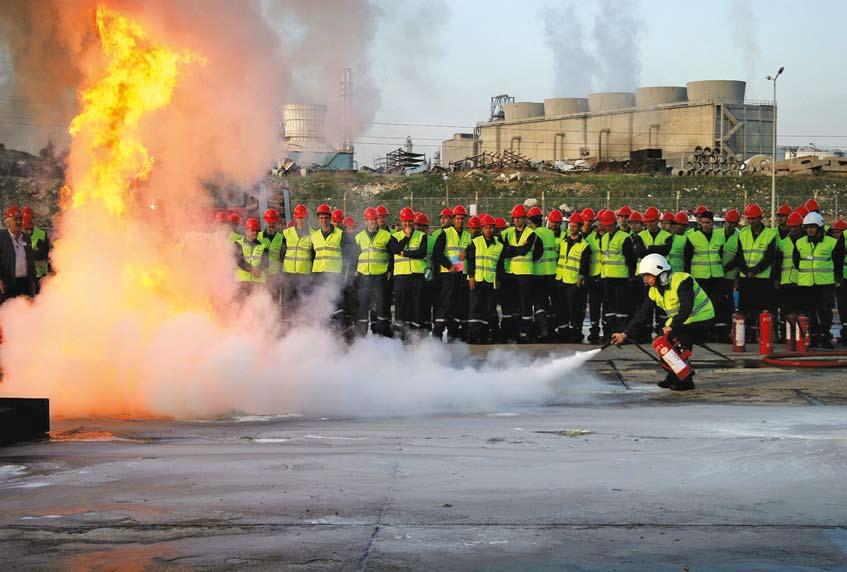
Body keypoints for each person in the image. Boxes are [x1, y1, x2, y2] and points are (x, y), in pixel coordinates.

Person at [611, 254, 715, 391]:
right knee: (661, 342)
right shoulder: (654, 291)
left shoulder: (683, 280)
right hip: (681, 321)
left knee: (677, 345)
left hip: (701, 318)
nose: (645, 280)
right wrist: (624, 334)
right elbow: (643, 314)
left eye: (647, 276)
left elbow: (686, 307)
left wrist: (672, 326)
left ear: (659, 273)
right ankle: (674, 375)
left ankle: (686, 380)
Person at [793, 212, 843, 348]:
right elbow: (796, 261)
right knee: (810, 311)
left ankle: (825, 336)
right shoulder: (799, 243)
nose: (809, 229)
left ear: (819, 228)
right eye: (807, 227)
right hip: (806, 283)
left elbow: (837, 262)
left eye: (813, 227)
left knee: (825, 311)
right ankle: (814, 336)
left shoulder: (832, 243)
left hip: (825, 283)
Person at [733, 204, 778, 342]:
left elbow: (770, 257)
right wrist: (746, 271)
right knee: (746, 308)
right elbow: (739, 255)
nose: (752, 221)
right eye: (749, 219)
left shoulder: (770, 234)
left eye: (754, 218)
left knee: (763, 308)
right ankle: (749, 334)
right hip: (746, 278)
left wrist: (755, 271)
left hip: (763, 279)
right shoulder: (743, 234)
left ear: (761, 218)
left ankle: (763, 335)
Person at [310, 203, 356, 330]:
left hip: (335, 275)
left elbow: (350, 253)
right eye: (321, 218)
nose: (324, 221)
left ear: (330, 218)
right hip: (319, 275)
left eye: (326, 218)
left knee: (336, 305)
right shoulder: (314, 236)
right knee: (321, 304)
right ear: (318, 219)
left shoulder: (340, 234)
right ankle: (323, 331)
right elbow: (312, 256)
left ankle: (339, 333)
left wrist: (346, 274)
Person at [432, 205, 472, 341]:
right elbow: (437, 253)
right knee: (445, 304)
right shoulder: (446, 233)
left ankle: (452, 335)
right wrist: (449, 266)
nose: (460, 221)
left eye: (462, 218)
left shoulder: (468, 236)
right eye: (458, 218)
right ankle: (437, 334)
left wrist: (467, 253)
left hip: (461, 275)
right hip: (447, 275)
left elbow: (471, 253)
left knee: (458, 304)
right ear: (453, 219)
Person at [500, 204, 540, 342]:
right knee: (512, 303)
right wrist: (517, 249)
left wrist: (511, 249)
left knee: (525, 303)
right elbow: (503, 250)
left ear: (525, 219)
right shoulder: (507, 232)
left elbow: (525, 250)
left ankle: (527, 331)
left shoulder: (531, 233)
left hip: (524, 274)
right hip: (510, 273)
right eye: (515, 218)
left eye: (519, 218)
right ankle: (514, 330)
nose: (517, 220)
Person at [684, 210, 725, 340]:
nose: (705, 225)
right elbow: (687, 258)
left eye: (708, 222)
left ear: (713, 222)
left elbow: (722, 254)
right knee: (701, 306)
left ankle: (715, 332)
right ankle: (702, 333)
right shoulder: (692, 237)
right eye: (703, 223)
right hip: (700, 277)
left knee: (716, 304)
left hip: (716, 276)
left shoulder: (720, 236)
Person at [353, 207, 392, 337]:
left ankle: (381, 335)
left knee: (381, 306)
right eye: (370, 220)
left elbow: (392, 254)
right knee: (363, 305)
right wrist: (355, 269)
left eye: (375, 219)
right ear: (365, 221)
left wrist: (390, 269)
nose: (373, 222)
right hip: (364, 276)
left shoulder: (386, 235)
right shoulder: (358, 237)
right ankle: (361, 335)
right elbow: (355, 255)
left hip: (380, 276)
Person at [466, 214, 505, 343]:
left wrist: (498, 280)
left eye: (491, 228)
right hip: (477, 280)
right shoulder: (476, 242)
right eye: (486, 228)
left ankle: (487, 333)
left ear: (494, 229)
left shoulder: (499, 245)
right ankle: (473, 334)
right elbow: (471, 260)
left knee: (489, 308)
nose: (488, 230)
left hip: (490, 281)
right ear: (482, 229)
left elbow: (500, 265)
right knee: (475, 308)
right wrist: (471, 276)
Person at [390, 207, 428, 337]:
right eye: (405, 221)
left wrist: (404, 253)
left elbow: (421, 253)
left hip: (417, 275)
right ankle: (399, 333)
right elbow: (395, 249)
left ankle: (415, 334)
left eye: (410, 221)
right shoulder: (395, 236)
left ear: (413, 221)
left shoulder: (422, 236)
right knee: (401, 305)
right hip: (401, 276)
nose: (407, 224)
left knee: (417, 304)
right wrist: (406, 237)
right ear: (401, 222)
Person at [599, 209, 636, 336]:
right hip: (607, 277)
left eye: (610, 225)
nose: (608, 227)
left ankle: (621, 331)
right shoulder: (604, 238)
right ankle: (609, 331)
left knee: (621, 307)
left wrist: (631, 275)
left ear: (615, 224)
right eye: (606, 225)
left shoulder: (624, 238)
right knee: (609, 307)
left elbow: (630, 258)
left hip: (621, 278)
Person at [555, 212, 592, 342]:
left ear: (580, 227)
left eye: (575, 226)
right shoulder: (563, 242)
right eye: (571, 226)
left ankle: (575, 331)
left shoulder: (584, 245)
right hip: (561, 279)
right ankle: (564, 330)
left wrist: (581, 277)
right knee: (562, 307)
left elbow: (584, 264)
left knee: (575, 308)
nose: (572, 228)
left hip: (574, 281)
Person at [280, 204, 313, 321]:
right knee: (287, 303)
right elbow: (282, 253)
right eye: (298, 217)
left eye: (303, 217)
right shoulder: (287, 233)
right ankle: (286, 329)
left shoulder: (313, 234)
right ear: (295, 218)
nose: (300, 220)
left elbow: (314, 256)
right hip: (289, 274)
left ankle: (302, 329)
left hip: (305, 275)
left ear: (307, 217)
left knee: (302, 304)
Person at [528, 206, 557, 340]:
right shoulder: (549, 233)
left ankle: (544, 330)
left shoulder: (534, 234)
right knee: (548, 303)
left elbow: (533, 254)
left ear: (531, 221)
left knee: (539, 303)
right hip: (551, 272)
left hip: (538, 273)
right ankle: (550, 329)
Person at [774, 211, 803, 332]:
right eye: (791, 226)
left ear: (801, 226)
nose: (793, 229)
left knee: (801, 311)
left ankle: (800, 335)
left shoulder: (806, 242)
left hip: (802, 281)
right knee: (785, 311)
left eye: (795, 226)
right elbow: (777, 262)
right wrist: (776, 279)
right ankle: (785, 335)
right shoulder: (782, 243)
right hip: (785, 281)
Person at [0, 206, 36, 302]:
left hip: (24, 284)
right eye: (15, 219)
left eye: (20, 219)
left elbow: (30, 260)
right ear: (8, 222)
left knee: (24, 312)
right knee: (7, 312)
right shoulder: (2, 237)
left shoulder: (26, 238)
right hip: (8, 284)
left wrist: (33, 280)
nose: (19, 222)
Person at [581, 208, 604, 343]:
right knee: (594, 305)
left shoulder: (608, 237)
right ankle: (594, 329)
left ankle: (607, 329)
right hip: (593, 276)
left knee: (608, 305)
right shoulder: (589, 239)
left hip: (607, 276)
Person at [234, 217, 269, 296]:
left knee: (258, 306)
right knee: (241, 307)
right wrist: (252, 269)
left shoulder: (263, 246)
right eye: (252, 230)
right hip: (242, 282)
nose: (255, 233)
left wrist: (259, 269)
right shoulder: (239, 244)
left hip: (258, 283)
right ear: (246, 231)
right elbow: (238, 261)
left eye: (257, 231)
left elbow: (266, 263)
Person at [258, 209, 284, 306]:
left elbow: (283, 257)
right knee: (261, 301)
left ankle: (273, 320)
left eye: (273, 222)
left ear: (276, 222)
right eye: (269, 222)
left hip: (275, 276)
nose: (271, 224)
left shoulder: (281, 237)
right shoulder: (259, 236)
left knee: (274, 302)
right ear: (265, 221)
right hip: (261, 276)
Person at [415, 212, 435, 333]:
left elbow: (435, 258)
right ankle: (417, 327)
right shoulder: (413, 239)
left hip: (428, 276)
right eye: (418, 225)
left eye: (423, 226)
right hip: (415, 275)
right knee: (416, 303)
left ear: (427, 228)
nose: (421, 228)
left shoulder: (432, 240)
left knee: (426, 303)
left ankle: (426, 327)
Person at [22, 207, 50, 291]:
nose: (28, 231)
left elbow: (45, 255)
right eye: (26, 229)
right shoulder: (19, 235)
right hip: (26, 274)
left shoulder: (41, 234)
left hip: (40, 274)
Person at [829, 219, 847, 345]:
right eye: (834, 232)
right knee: (842, 306)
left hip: (842, 279)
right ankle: (844, 332)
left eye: (838, 232)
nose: (835, 235)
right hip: (839, 279)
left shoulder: (841, 245)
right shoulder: (831, 245)